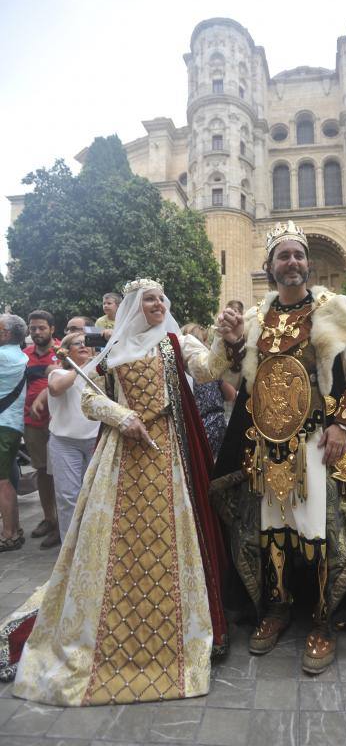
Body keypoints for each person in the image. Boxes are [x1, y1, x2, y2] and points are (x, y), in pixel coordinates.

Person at [11, 278, 227, 705]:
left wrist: (224, 337)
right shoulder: (114, 351)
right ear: (133, 306)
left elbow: (208, 370)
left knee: (171, 536)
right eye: (149, 299)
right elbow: (90, 399)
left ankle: (179, 629)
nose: (158, 304)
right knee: (119, 540)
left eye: (162, 298)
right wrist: (121, 415)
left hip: (170, 448)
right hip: (123, 453)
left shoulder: (177, 341)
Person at [212, 220, 346, 675]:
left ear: (308, 264)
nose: (292, 262)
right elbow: (241, 376)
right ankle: (276, 610)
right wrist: (234, 344)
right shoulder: (257, 318)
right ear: (269, 266)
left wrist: (340, 427)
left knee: (315, 527)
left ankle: (322, 621)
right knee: (271, 527)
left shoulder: (336, 311)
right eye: (283, 256)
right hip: (264, 443)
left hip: (317, 440)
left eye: (298, 255)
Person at [47, 333, 100, 541]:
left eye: (87, 343)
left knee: (94, 496)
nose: (84, 346)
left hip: (95, 441)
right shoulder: (58, 372)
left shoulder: (97, 373)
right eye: (78, 344)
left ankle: (92, 544)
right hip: (65, 443)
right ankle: (69, 548)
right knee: (68, 497)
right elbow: (56, 388)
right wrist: (82, 367)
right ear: (66, 351)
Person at [23, 310, 61, 548]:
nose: (37, 332)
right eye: (33, 328)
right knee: (42, 472)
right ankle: (49, 519)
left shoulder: (61, 351)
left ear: (52, 329)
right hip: (33, 423)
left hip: (58, 423)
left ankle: (62, 525)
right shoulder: (24, 355)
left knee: (60, 474)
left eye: (41, 328)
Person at [182, 322, 236, 458]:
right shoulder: (209, 366)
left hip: (189, 427)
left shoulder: (178, 365)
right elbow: (231, 394)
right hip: (215, 424)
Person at [0, 315, 28, 552]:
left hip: (2, 425)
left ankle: (8, 535)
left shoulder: (2, 356)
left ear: (6, 333)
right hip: (12, 425)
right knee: (6, 478)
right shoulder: (21, 355)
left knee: (2, 482)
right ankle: (15, 530)